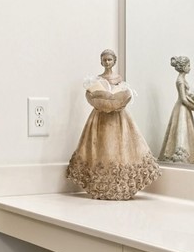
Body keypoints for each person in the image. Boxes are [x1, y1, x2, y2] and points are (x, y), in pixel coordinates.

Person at [66, 49, 161, 200]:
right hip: (100, 117)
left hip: (118, 117)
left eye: (109, 60)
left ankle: (120, 184)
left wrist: (121, 101)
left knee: (121, 146)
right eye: (104, 60)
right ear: (101, 61)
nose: (107, 62)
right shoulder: (97, 79)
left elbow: (123, 92)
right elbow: (91, 94)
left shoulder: (118, 78)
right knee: (101, 146)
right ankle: (99, 183)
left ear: (114, 61)